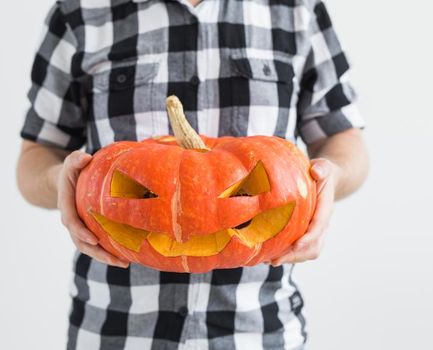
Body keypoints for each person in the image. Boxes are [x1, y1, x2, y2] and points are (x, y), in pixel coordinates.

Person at [15, 0, 369, 348]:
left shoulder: (297, 10)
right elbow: (37, 154)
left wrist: (331, 176)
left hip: (260, 329)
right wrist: (63, 180)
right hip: (117, 330)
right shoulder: (79, 13)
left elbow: (344, 139)